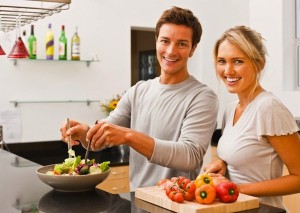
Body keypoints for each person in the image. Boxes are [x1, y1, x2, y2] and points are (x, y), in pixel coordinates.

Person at [60, 6, 218, 191]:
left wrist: (128, 135)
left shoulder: (202, 97)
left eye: (182, 43)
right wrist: (86, 133)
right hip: (138, 201)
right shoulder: (138, 91)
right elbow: (102, 139)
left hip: (177, 203)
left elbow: (189, 157)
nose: (171, 50)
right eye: (165, 41)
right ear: (156, 41)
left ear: (193, 49)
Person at [203, 25, 300, 209]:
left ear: (259, 63)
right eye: (222, 61)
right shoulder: (230, 109)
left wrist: (239, 189)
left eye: (238, 61)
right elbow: (243, 155)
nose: (228, 70)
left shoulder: (268, 107)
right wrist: (222, 163)